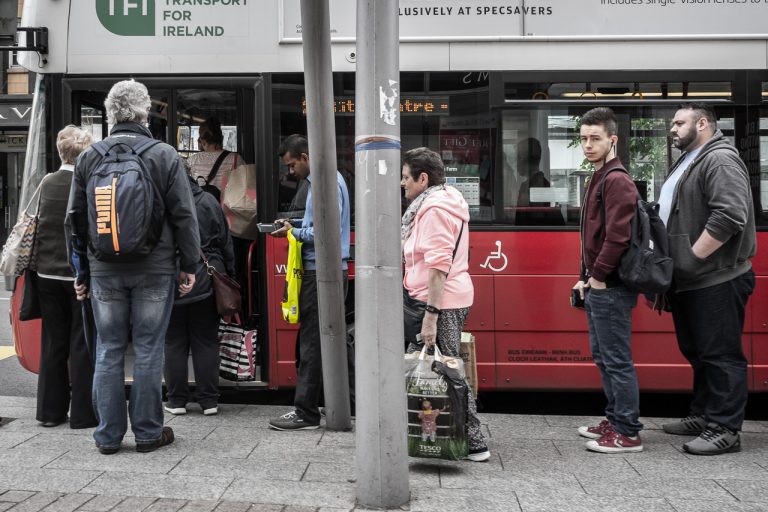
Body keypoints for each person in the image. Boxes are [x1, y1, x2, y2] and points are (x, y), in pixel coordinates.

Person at [66, 79, 200, 455]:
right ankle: (147, 433)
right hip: (155, 269)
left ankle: (108, 437)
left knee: (108, 348)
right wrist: (189, 264)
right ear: (145, 112)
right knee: (147, 347)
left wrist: (81, 272)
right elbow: (184, 216)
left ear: (110, 114)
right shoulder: (164, 155)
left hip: (104, 268)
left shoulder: (90, 158)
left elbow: (74, 220)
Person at [658, 103, 756, 455]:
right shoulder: (691, 158)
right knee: (698, 352)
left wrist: (690, 258)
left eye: (679, 122)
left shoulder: (719, 159)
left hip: (715, 277)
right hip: (691, 279)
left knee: (720, 355)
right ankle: (703, 414)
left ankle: (725, 429)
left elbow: (730, 216)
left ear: (702, 123)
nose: (673, 128)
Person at [400, 147, 490, 462]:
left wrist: (430, 317)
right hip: (442, 297)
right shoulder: (441, 200)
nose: (402, 184)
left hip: (441, 301)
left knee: (449, 371)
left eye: (405, 177)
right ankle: (442, 433)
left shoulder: (435, 209)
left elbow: (438, 266)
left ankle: (475, 441)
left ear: (423, 179)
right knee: (445, 367)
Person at [267, 134, 351, 431]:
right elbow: (320, 225)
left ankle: (306, 413)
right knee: (315, 340)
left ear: (305, 157)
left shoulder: (323, 183)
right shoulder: (330, 179)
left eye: (291, 165)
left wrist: (293, 233)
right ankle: (323, 406)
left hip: (321, 273)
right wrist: (296, 226)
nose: (291, 172)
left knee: (312, 343)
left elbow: (323, 233)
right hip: (325, 272)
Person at [572, 107, 643, 453]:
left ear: (613, 139)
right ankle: (615, 419)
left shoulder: (617, 180)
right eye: (583, 138)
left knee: (615, 358)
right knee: (603, 356)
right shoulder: (598, 177)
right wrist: (584, 277)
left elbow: (618, 237)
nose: (587, 144)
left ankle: (627, 431)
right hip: (599, 283)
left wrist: (597, 277)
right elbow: (593, 236)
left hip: (612, 286)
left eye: (595, 138)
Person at [34, 125, 98, 429]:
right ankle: (83, 414)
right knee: (81, 343)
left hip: (45, 274)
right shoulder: (86, 184)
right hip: (77, 276)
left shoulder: (46, 182)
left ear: (61, 151)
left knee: (53, 343)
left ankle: (49, 412)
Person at [164, 170, 235, 417]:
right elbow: (226, 242)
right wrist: (230, 274)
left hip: (172, 277)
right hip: (207, 276)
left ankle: (176, 401)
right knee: (206, 340)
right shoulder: (208, 201)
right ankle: (209, 401)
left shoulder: (165, 202)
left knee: (174, 342)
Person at [187, 117, 243, 193]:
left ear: (202, 140)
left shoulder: (192, 160)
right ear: (221, 137)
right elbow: (242, 185)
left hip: (201, 204)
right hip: (226, 204)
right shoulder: (235, 159)